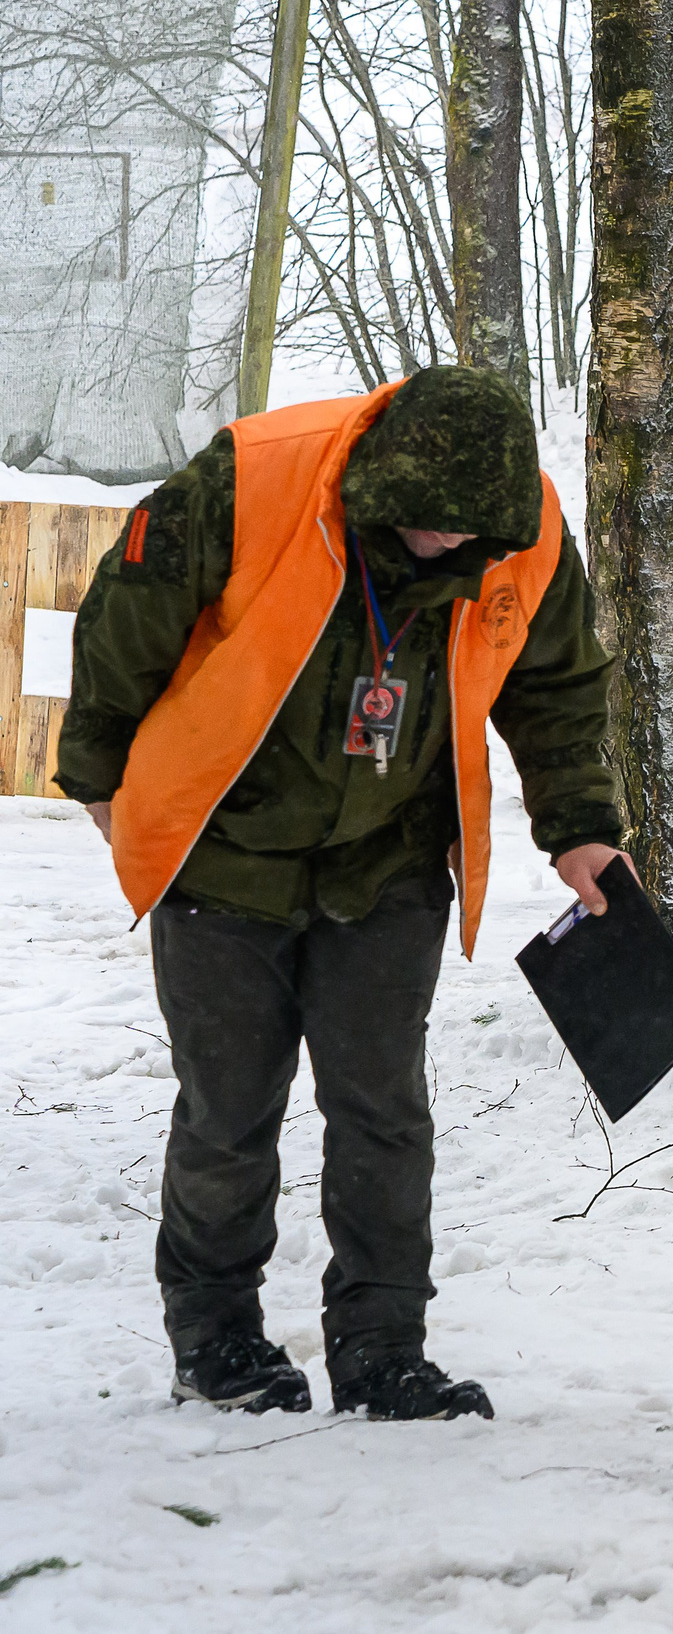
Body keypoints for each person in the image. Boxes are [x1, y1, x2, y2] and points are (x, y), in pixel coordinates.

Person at [57, 366, 627, 1421]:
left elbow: (557, 689)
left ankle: (382, 1350)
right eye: (423, 529)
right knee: (230, 1113)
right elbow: (122, 626)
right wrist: (98, 779)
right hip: (223, 850)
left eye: (466, 538)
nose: (444, 549)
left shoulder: (528, 530)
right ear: (377, 480)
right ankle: (215, 1340)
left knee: (383, 1112)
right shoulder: (253, 481)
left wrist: (583, 831)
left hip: (390, 854)